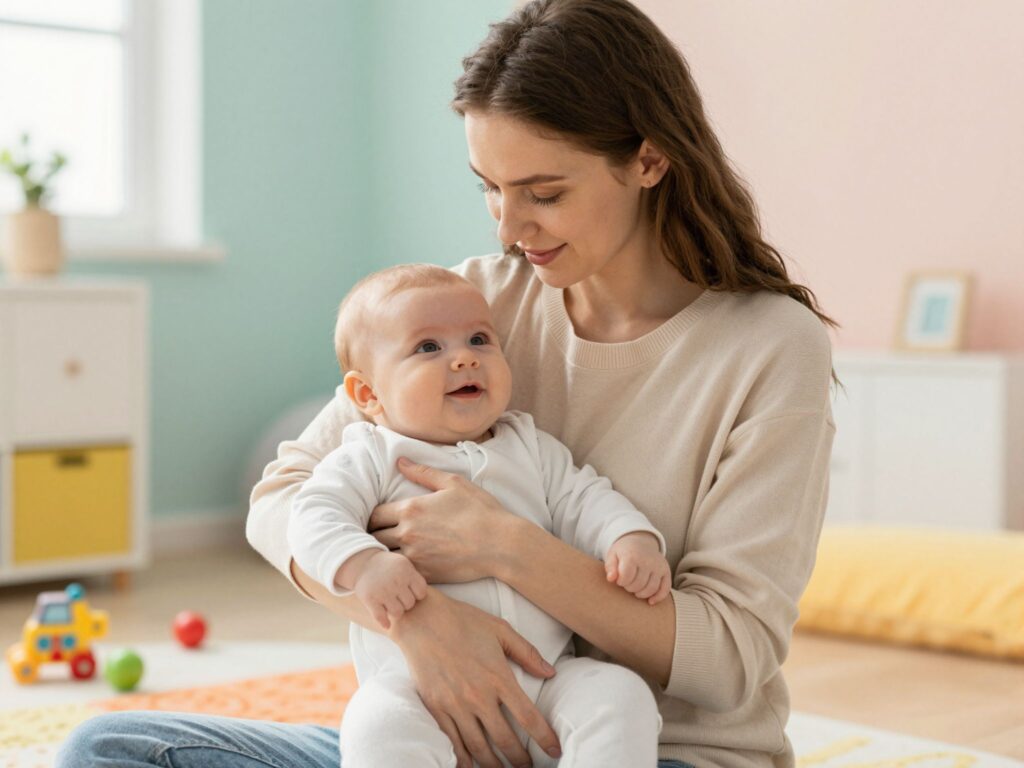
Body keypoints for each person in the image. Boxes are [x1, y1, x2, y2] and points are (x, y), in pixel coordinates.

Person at [57, 1, 835, 767]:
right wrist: (423, 626)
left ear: (649, 159)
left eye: (544, 192)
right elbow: (283, 497)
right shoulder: (473, 306)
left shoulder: (767, 347)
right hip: (449, 738)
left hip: (653, 750)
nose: (507, 227)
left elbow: (731, 656)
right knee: (111, 748)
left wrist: (506, 548)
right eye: (488, 188)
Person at [292, 263, 671, 766]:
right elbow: (312, 514)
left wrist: (630, 538)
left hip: (546, 686)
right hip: (425, 696)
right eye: (429, 348)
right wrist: (364, 564)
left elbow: (587, 497)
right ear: (368, 395)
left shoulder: (529, 446)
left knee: (620, 696)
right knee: (375, 721)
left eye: (478, 339)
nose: (464, 359)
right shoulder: (369, 455)